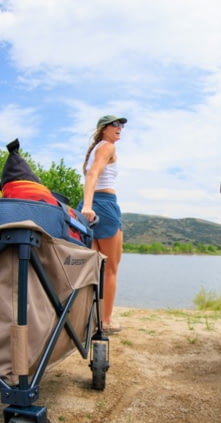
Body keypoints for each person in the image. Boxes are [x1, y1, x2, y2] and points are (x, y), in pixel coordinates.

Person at [81, 114, 128, 333]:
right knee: (110, 268)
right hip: (105, 206)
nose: (120, 127)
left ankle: (87, 318)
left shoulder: (95, 149)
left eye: (122, 125)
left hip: (94, 205)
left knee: (91, 268)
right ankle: (105, 321)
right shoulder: (107, 147)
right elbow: (93, 174)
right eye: (115, 124)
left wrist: (86, 205)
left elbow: (90, 174)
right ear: (103, 128)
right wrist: (87, 205)